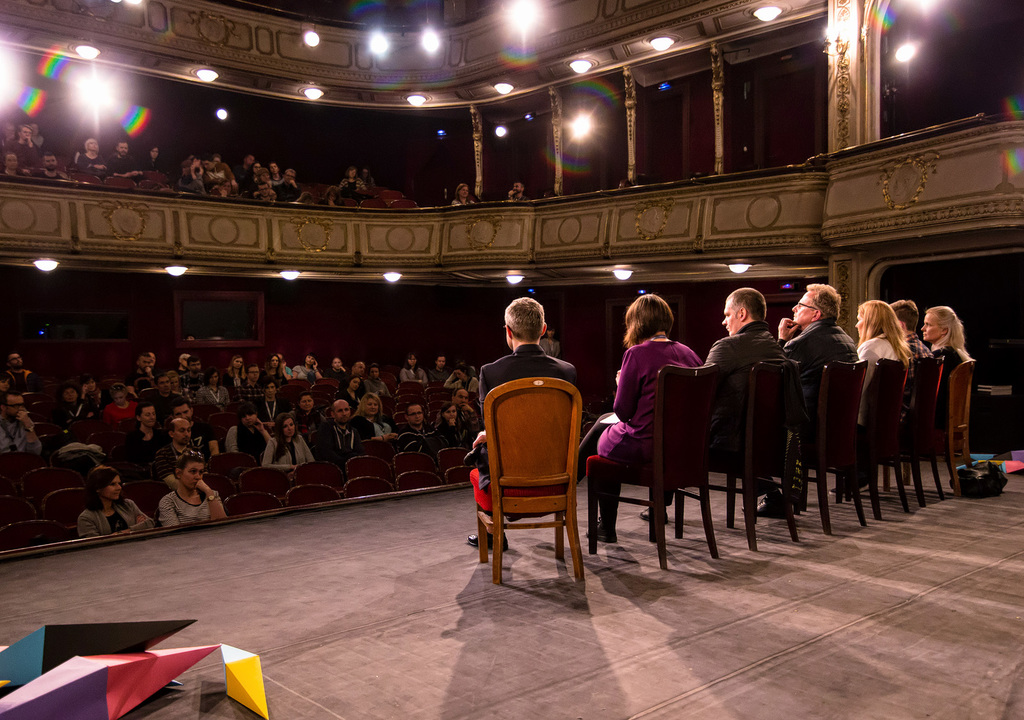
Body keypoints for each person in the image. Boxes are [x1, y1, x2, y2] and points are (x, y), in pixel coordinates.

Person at [581, 294, 702, 542]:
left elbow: (623, 411)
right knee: (604, 422)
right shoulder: (690, 355)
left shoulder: (636, 354)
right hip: (682, 448)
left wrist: (620, 384)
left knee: (602, 444)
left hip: (645, 446)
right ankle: (657, 510)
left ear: (636, 324)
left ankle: (605, 525)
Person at [467, 297, 577, 548]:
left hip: (509, 477)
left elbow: (490, 426)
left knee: (480, 451)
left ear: (508, 331)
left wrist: (487, 434)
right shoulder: (567, 371)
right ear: (543, 329)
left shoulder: (490, 372)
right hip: (555, 475)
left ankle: (494, 535)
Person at [705, 288, 790, 514]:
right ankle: (772, 494)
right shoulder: (776, 348)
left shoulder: (728, 346)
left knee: (669, 437)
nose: (724, 322)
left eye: (727, 315)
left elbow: (700, 392)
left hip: (730, 445)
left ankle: (658, 510)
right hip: (769, 443)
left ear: (742, 314)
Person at [778, 283, 858, 437]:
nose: (794, 308)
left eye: (800, 305)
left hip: (807, 430)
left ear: (816, 315)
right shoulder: (848, 340)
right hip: (840, 427)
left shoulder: (801, 343)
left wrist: (782, 341)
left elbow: (775, 381)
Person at [855, 301, 911, 427]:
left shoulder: (871, 347)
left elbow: (859, 388)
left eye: (859, 319)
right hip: (888, 420)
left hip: (866, 423)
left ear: (871, 322)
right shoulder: (896, 347)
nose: (856, 325)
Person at [922, 305, 973, 428]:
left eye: (928, 324)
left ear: (944, 330)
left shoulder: (940, 358)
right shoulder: (957, 355)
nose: (923, 328)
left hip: (936, 423)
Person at [77, 465, 155, 537]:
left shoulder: (128, 504)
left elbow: (150, 523)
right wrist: (137, 528)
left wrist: (123, 532)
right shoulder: (86, 518)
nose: (119, 488)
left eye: (119, 483)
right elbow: (94, 544)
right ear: (97, 488)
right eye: (112, 484)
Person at [157, 450, 227, 527]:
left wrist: (208, 492)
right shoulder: (168, 501)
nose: (198, 477)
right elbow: (175, 533)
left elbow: (223, 527)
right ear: (178, 473)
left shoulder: (212, 495)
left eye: (201, 472)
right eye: (193, 471)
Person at [889, 300, 933, 416]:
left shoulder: (904, 352)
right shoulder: (925, 350)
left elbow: (899, 393)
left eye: (889, 324)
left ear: (900, 325)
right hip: (921, 417)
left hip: (902, 418)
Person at [315, 399, 364, 475]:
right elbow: (326, 453)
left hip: (352, 469)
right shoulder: (326, 428)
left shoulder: (354, 431)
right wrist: (346, 461)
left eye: (346, 410)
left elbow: (360, 452)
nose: (344, 413)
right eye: (340, 411)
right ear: (333, 414)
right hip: (331, 470)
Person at [262, 412, 314, 479]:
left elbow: (311, 461)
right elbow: (265, 465)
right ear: (280, 429)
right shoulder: (273, 442)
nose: (290, 428)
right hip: (281, 478)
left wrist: (297, 471)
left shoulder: (299, 439)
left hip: (301, 476)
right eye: (285, 426)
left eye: (291, 425)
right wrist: (290, 467)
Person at [152, 417, 193, 488]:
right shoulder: (162, 454)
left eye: (188, 430)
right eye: (182, 431)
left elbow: (204, 475)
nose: (186, 434)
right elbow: (171, 482)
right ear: (171, 434)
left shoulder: (195, 451)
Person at [0, 390, 42, 455]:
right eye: (16, 406)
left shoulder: (24, 420)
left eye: (22, 405)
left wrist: (28, 427)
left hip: (23, 459)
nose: (21, 409)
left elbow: (35, 452)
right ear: (3, 407)